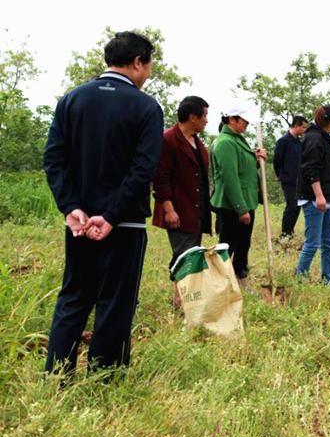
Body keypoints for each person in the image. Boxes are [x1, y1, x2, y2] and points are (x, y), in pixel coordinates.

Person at [42, 31, 163, 375]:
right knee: (116, 301)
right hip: (124, 225)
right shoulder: (146, 106)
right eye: (149, 64)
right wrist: (110, 215)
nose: (149, 71)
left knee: (74, 297)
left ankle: (57, 374)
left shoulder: (72, 100)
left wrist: (71, 207)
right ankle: (104, 376)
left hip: (79, 223)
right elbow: (143, 169)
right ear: (138, 62)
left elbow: (54, 159)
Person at [152, 96, 212, 308]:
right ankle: (179, 299)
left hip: (196, 208)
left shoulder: (197, 141)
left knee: (192, 252)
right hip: (179, 208)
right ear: (192, 117)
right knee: (183, 253)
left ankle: (186, 297)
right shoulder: (168, 139)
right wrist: (168, 209)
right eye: (204, 115)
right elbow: (160, 178)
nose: (207, 120)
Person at [210, 106, 267, 289]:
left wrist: (256, 159)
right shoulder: (225, 142)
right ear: (231, 120)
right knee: (228, 245)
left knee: (243, 244)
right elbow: (230, 178)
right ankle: (221, 282)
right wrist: (241, 209)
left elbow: (243, 168)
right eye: (243, 120)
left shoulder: (238, 140)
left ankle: (241, 278)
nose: (247, 124)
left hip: (246, 201)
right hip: (233, 205)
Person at [296, 104, 330, 285]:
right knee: (312, 243)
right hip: (314, 199)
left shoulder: (325, 137)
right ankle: (300, 281)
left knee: (329, 244)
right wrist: (319, 196)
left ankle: (328, 281)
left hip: (328, 198)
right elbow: (310, 169)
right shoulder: (314, 138)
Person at [273, 115, 308, 239]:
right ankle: (285, 233)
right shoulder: (283, 141)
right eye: (303, 127)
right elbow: (277, 160)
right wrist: (281, 175)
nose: (304, 130)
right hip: (288, 180)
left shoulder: (299, 142)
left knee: (297, 207)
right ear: (296, 126)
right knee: (291, 206)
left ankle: (290, 231)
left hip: (299, 180)